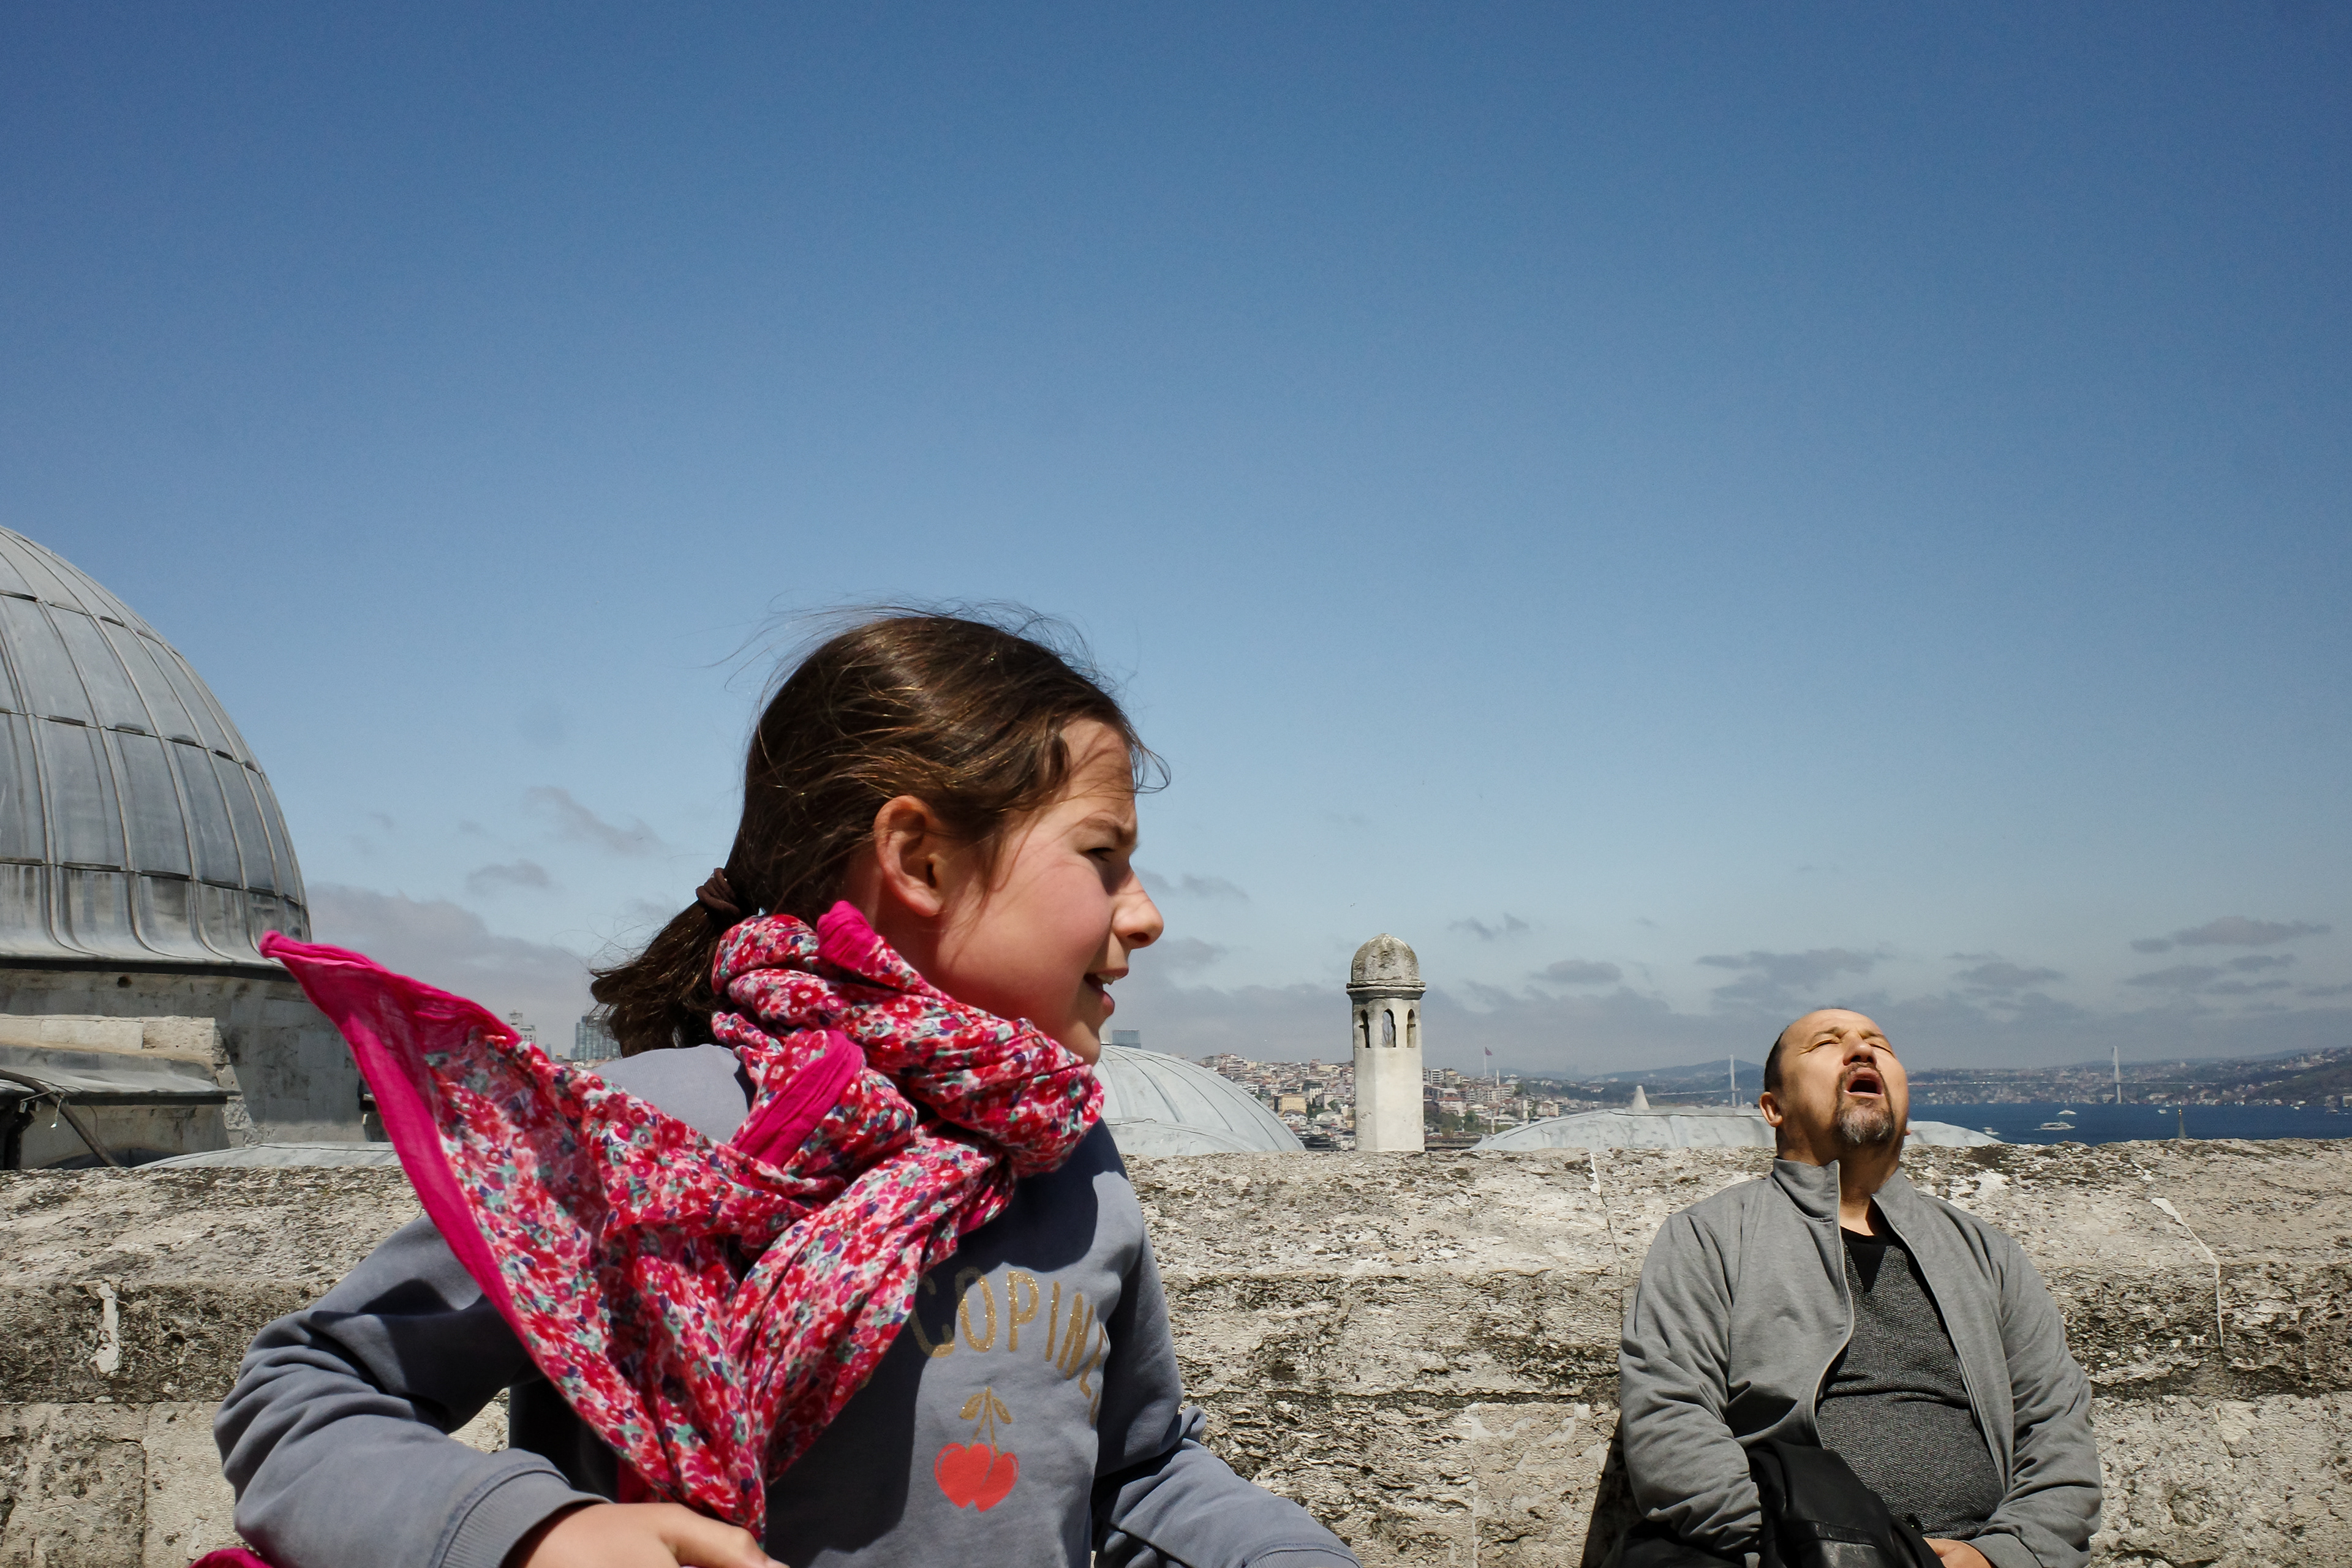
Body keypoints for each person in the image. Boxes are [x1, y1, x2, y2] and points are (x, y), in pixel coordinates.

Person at [214, 613, 1359, 1568]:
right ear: (918, 860)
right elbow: (306, 1395)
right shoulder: (645, 1136)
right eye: (1102, 856)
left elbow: (1137, 1470)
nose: (1145, 911)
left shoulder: (1066, 1159)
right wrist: (535, 1534)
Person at [1615, 1008, 2101, 1568]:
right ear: (1774, 1108)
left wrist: (2002, 1555)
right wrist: (1815, 1548)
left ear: (1907, 1111)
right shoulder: (1710, 1237)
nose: (1861, 1051)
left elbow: (2057, 1426)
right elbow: (1669, 1421)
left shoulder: (1986, 1253)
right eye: (1826, 1043)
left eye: (1879, 1045)